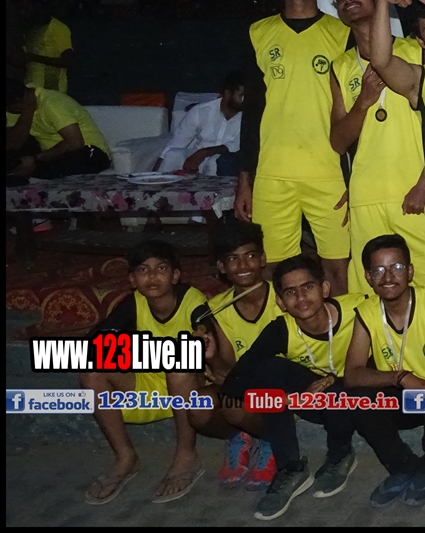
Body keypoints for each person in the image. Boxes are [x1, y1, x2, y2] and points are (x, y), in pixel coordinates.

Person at [235, 0, 353, 295]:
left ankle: (344, 329)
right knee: (273, 270)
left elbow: (355, 111)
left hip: (329, 171)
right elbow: (252, 112)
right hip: (273, 173)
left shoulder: (343, 34)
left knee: (338, 269)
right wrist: (244, 179)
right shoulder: (258, 33)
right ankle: (282, 329)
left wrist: (357, 178)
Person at [222, 255, 359, 520]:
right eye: (290, 292)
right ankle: (290, 468)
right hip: (310, 400)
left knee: (335, 392)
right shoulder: (281, 329)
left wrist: (335, 381)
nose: (301, 297)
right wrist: (289, 399)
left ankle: (340, 455)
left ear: (325, 288)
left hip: (356, 399)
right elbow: (234, 383)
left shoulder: (357, 311)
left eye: (308, 287)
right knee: (268, 370)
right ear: (281, 302)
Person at [79, 241, 210, 505]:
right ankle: (125, 457)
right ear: (132, 279)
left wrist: (201, 334)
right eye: (143, 270)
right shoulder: (134, 303)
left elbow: (204, 323)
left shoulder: (191, 298)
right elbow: (98, 337)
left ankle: (186, 455)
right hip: (150, 385)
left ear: (175, 275)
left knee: (180, 362)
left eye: (161, 268)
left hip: (191, 387)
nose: (152, 277)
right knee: (92, 368)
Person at [326, 0, 425, 294]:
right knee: (368, 289)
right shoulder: (341, 66)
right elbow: (338, 142)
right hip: (367, 195)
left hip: (414, 191)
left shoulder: (417, 51)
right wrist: (363, 103)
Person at [166, 220, 280, 491]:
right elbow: (225, 371)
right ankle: (240, 436)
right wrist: (212, 356)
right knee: (200, 407)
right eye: (232, 259)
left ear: (263, 259)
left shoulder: (284, 298)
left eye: (250, 256)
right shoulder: (216, 309)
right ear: (221, 266)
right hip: (243, 388)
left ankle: (272, 440)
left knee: (240, 403)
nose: (243, 266)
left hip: (283, 390)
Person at [343, 234, 425, 507]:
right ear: (368, 277)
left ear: (411, 271)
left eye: (397, 267)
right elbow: (352, 373)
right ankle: (402, 466)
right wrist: (400, 377)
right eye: (378, 270)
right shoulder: (367, 312)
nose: (388, 277)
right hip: (399, 394)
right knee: (356, 397)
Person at [6, 76, 110, 182]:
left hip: (88, 152)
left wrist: (35, 159)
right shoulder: (14, 108)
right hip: (52, 156)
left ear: (18, 101)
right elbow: (14, 144)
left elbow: (75, 143)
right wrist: (28, 112)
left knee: (64, 164)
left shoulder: (51, 103)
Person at [155, 71, 244, 176]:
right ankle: (156, 183)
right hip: (196, 158)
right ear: (228, 94)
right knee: (172, 155)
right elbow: (176, 143)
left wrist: (205, 152)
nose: (246, 100)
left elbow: (236, 145)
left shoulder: (250, 117)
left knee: (215, 162)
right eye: (241, 96)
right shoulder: (201, 111)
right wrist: (152, 174)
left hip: (223, 162)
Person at [10, 0, 73, 92]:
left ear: (37, 5)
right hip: (31, 91)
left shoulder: (57, 27)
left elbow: (68, 61)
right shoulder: (29, 31)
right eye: (20, 10)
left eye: (25, 8)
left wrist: (32, 57)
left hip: (52, 92)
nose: (22, 13)